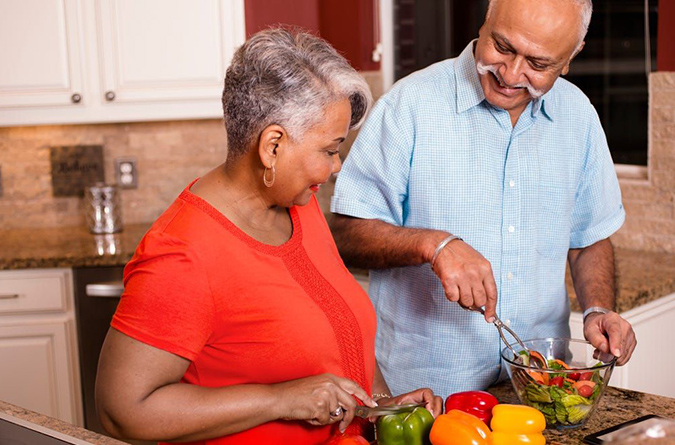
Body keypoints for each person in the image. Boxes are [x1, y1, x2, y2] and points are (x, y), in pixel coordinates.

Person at [94, 27, 442, 445]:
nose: (335, 167)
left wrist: (383, 407)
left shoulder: (299, 204)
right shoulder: (183, 253)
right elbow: (123, 412)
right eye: (330, 150)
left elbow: (342, 335)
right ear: (272, 146)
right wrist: (278, 400)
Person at [329, 0, 637, 399]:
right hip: (423, 394)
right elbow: (344, 234)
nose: (510, 74)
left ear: (569, 60)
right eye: (503, 47)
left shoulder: (579, 117)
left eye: (538, 65)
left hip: (538, 390)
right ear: (486, 20)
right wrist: (432, 245)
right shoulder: (410, 105)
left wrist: (598, 309)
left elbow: (589, 238)